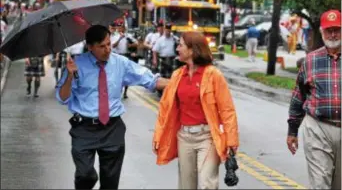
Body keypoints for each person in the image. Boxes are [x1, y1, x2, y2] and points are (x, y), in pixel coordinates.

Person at [55, 25, 169, 189]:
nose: (107, 49)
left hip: (112, 129)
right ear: (90, 47)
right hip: (84, 128)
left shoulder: (120, 63)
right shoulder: (76, 64)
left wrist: (181, 82)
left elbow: (151, 80)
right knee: (85, 175)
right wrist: (70, 76)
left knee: (110, 182)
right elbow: (62, 97)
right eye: (102, 46)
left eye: (109, 44)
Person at [152, 31, 239, 189]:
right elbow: (165, 111)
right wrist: (158, 136)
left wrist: (231, 140)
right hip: (184, 137)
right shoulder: (177, 75)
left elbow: (227, 110)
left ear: (192, 50)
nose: (177, 48)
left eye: (180, 45)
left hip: (208, 137)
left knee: (208, 184)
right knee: (186, 186)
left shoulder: (214, 75)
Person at [287, 10, 341, 190]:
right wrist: (292, 130)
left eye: (337, 30)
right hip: (318, 127)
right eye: (329, 30)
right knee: (320, 185)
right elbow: (298, 97)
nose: (333, 34)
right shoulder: (310, 60)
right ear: (321, 31)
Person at [111, 21, 138, 99]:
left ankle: (125, 92)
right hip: (117, 56)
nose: (120, 28)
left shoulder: (128, 36)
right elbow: (113, 45)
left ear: (124, 28)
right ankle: (117, 91)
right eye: (118, 27)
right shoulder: (114, 36)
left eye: (121, 27)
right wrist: (120, 38)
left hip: (126, 55)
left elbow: (136, 43)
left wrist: (130, 45)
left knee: (126, 75)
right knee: (117, 75)